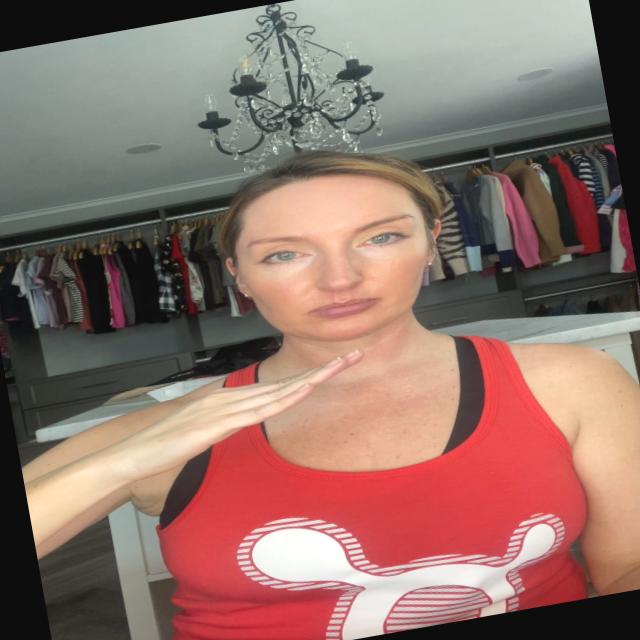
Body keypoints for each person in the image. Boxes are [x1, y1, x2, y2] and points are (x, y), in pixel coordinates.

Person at [22, 151, 640, 639]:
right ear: (238, 275)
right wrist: (120, 461)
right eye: (285, 254)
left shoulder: (572, 381)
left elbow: (626, 568)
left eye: (380, 238)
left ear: (431, 240)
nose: (339, 278)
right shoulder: (178, 433)